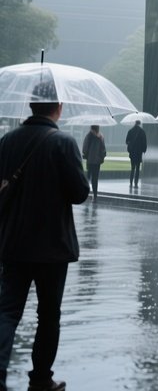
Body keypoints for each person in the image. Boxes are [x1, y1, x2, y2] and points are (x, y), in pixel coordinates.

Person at [0, 82, 90, 391]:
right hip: (52, 246)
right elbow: (79, 193)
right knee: (48, 314)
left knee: (7, 311)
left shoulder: (7, 141)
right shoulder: (63, 142)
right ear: (58, 107)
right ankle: (40, 378)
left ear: (30, 105)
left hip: (12, 241)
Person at [81, 124, 106, 202]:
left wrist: (86, 154)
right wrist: (101, 157)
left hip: (90, 160)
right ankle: (95, 196)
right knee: (95, 178)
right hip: (97, 161)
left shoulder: (89, 136)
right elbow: (103, 149)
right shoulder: (101, 137)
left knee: (88, 177)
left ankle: (85, 193)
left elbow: (84, 148)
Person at [125, 119, 147, 189]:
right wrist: (144, 150)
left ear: (135, 123)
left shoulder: (130, 131)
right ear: (139, 124)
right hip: (138, 152)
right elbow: (144, 142)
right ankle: (136, 183)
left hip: (132, 152)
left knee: (132, 168)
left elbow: (126, 141)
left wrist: (131, 144)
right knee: (137, 168)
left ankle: (131, 182)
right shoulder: (142, 132)